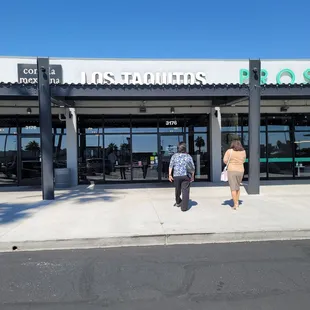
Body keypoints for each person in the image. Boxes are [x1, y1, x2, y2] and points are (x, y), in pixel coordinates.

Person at [168, 142, 195, 212]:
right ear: (185, 148)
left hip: (176, 176)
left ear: (178, 148)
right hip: (185, 175)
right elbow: (192, 167)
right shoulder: (188, 156)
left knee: (177, 189)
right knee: (185, 191)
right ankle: (184, 208)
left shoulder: (174, 156)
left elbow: (171, 166)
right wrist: (192, 176)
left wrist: (170, 175)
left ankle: (178, 202)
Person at [223, 139, 246, 210]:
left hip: (232, 170)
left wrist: (230, 163)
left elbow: (225, 160)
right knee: (237, 186)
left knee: (233, 187)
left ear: (232, 144)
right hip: (241, 170)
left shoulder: (229, 151)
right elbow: (244, 160)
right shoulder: (243, 151)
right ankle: (237, 201)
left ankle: (235, 204)